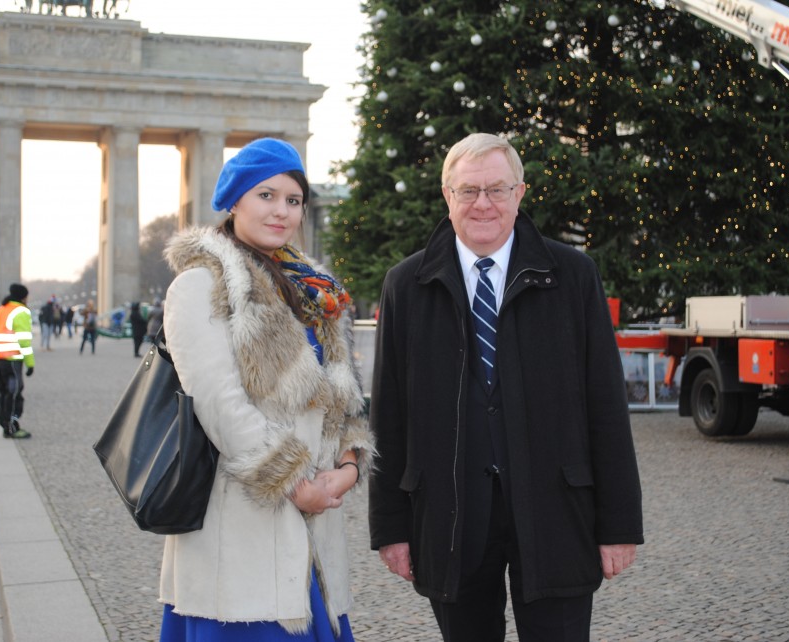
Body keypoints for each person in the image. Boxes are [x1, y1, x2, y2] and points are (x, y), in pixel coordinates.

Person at [368, 133, 644, 642]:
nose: (483, 204)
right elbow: (389, 415)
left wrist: (620, 525)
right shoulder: (406, 285)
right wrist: (391, 529)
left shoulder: (573, 276)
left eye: (497, 189)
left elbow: (606, 405)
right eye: (468, 191)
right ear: (447, 196)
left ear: (521, 193)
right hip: (451, 517)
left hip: (557, 509)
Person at [157, 138, 374, 641]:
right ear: (234, 201)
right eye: (266, 196)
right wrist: (297, 484)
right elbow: (218, 405)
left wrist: (346, 466)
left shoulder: (315, 290)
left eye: (293, 200)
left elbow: (344, 398)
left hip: (314, 529)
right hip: (240, 526)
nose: (281, 211)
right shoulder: (199, 285)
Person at [0, 283, 35, 439]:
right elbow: (24, 341)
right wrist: (30, 363)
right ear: (23, 297)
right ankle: (11, 426)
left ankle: (5, 424)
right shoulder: (20, 311)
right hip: (13, 359)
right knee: (14, 393)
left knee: (4, 393)